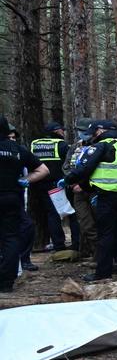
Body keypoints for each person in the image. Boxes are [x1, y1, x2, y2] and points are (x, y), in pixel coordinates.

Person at [62, 120, 117, 282]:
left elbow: (84, 168)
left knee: (106, 234)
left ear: (99, 131)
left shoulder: (100, 146)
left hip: (107, 196)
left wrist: (69, 180)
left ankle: (103, 272)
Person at [0, 117, 49, 292]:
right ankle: (6, 282)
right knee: (10, 238)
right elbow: (43, 170)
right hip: (12, 198)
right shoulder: (18, 149)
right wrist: (25, 180)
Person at [28, 122, 69, 251]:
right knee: (55, 213)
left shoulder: (34, 144)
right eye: (62, 130)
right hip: (56, 184)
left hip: (37, 183)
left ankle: (47, 241)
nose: (64, 132)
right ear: (57, 131)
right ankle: (59, 244)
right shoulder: (61, 145)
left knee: (46, 213)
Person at [67, 118, 98, 261]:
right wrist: (72, 183)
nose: (82, 134)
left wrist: (84, 184)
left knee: (101, 224)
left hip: (95, 191)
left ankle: (104, 258)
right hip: (78, 192)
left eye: (85, 131)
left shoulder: (99, 146)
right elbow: (67, 166)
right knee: (86, 225)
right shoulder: (75, 147)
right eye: (80, 131)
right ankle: (97, 255)